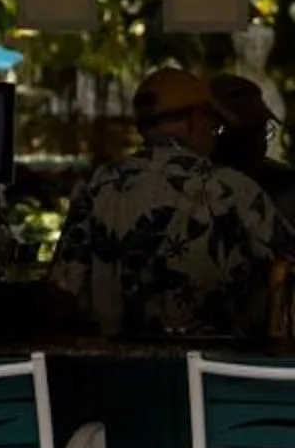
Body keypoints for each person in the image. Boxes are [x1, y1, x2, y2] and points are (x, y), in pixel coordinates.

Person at [50, 62, 276, 340]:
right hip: (214, 373)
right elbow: (285, 267)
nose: (213, 135)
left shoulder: (99, 186)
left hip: (109, 373)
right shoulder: (233, 190)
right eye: (213, 124)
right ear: (195, 119)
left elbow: (63, 289)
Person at [211, 69, 295, 244]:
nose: (258, 142)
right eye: (246, 132)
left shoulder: (284, 183)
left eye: (262, 129)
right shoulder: (192, 188)